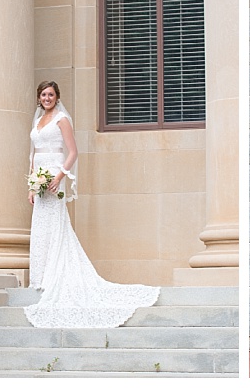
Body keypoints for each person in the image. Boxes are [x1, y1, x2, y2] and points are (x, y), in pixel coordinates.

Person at [23, 81, 159, 328]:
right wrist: (32, 185)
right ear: (38, 98)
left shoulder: (61, 119)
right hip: (39, 177)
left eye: (51, 94)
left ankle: (57, 277)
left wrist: (58, 176)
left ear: (57, 96)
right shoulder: (37, 121)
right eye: (43, 94)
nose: (47, 98)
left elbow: (73, 152)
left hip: (54, 174)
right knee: (41, 226)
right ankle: (42, 277)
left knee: (55, 223)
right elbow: (33, 154)